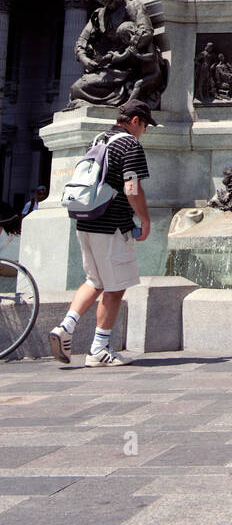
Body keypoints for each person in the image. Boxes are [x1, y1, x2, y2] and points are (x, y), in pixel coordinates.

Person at [49, 99, 156, 367]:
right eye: (144, 125)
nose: (144, 131)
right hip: (112, 224)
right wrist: (144, 218)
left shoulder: (98, 139)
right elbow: (131, 187)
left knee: (93, 280)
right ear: (135, 121)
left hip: (86, 220)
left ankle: (66, 327)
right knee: (116, 287)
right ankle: (99, 349)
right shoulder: (130, 144)